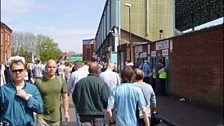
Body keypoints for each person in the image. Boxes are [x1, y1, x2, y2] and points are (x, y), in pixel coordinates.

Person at [0, 56, 44, 126]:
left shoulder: (32, 88)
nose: (17, 73)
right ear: (10, 72)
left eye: (20, 70)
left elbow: (40, 109)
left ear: (25, 71)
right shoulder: (4, 90)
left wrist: (27, 97)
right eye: (14, 71)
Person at [72, 62, 110, 126]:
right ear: (98, 71)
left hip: (84, 114)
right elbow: (106, 99)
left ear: (89, 70)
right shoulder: (101, 83)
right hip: (98, 114)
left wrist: (80, 107)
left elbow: (75, 98)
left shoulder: (80, 83)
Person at [35, 59, 70, 125]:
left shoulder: (61, 81)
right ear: (45, 68)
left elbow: (65, 97)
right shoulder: (38, 82)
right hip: (41, 116)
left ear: (56, 68)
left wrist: (66, 112)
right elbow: (34, 97)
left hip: (56, 117)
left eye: (53, 67)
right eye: (49, 67)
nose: (51, 69)